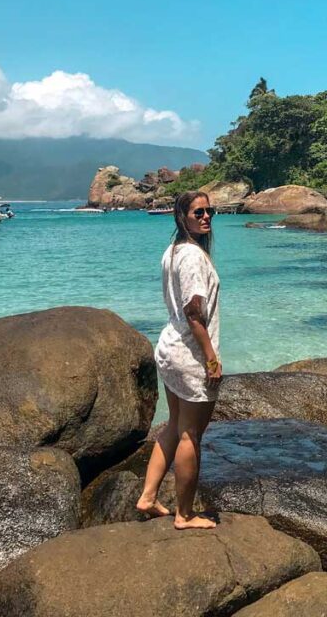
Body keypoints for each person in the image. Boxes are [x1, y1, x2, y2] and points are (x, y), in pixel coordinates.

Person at [136, 190, 222, 529]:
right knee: (190, 435)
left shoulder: (172, 252)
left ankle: (147, 496)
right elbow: (192, 312)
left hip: (171, 349)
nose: (206, 217)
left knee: (174, 424)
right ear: (181, 216)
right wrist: (211, 358)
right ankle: (184, 515)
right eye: (198, 212)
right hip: (189, 355)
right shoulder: (192, 258)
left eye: (209, 211)